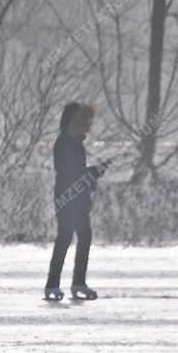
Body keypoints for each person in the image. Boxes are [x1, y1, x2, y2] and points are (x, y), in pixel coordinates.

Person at [44, 101, 109, 301]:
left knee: (84, 238)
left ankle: (78, 283)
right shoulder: (64, 143)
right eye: (84, 123)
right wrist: (94, 172)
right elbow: (69, 173)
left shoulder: (75, 142)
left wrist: (92, 174)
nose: (87, 128)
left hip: (79, 199)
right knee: (64, 239)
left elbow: (78, 173)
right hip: (67, 198)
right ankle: (52, 285)